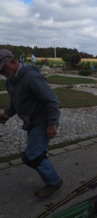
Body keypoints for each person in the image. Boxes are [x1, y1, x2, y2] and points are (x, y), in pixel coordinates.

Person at [0, 49, 63, 198]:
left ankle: (54, 181)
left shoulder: (30, 77)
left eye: (3, 69)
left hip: (44, 121)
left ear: (14, 63)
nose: (2, 73)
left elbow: (52, 101)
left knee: (32, 156)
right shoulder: (11, 81)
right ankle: (50, 175)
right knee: (36, 154)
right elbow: (15, 103)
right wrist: (6, 114)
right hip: (32, 122)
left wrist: (52, 124)